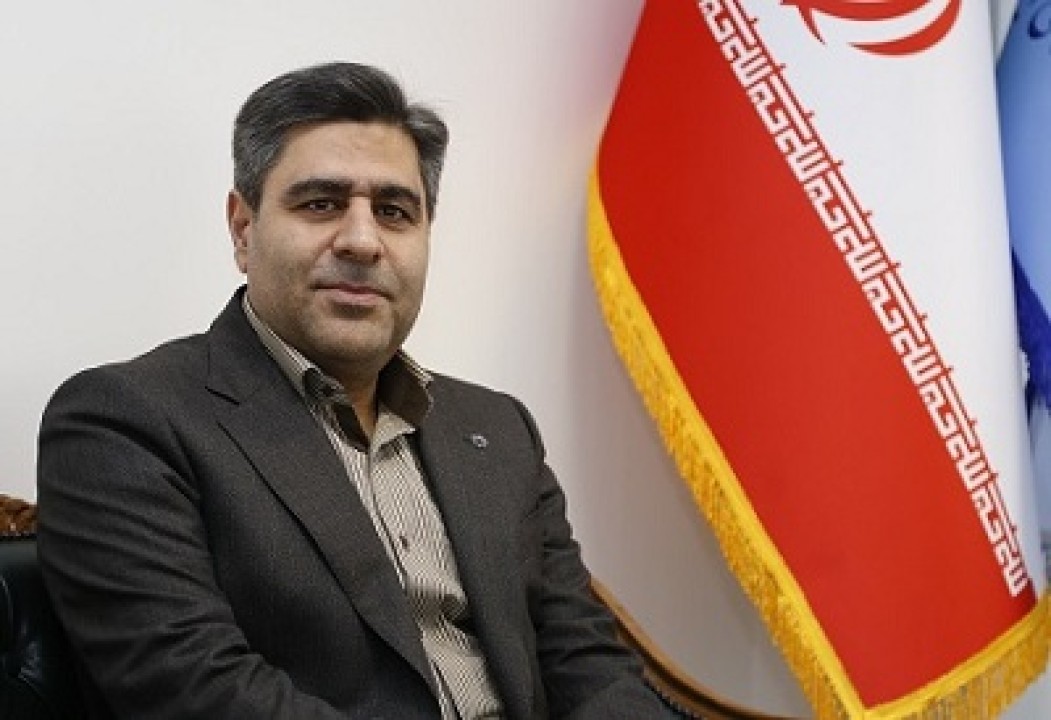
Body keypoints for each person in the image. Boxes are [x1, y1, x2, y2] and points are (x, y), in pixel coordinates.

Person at [36, 62, 672, 719]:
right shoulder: (125, 422)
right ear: (243, 228)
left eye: (394, 212)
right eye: (321, 204)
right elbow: (197, 691)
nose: (363, 241)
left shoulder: (498, 428)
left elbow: (587, 664)